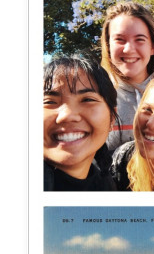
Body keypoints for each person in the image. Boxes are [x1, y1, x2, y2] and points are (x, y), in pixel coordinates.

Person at [101, 1, 154, 152]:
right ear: (108, 46)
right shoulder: (96, 95)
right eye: (119, 39)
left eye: (139, 39)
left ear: (152, 47)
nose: (129, 49)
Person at [43, 53, 119, 191]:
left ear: (112, 118)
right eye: (49, 102)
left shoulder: (106, 187)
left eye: (87, 100)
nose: (67, 115)